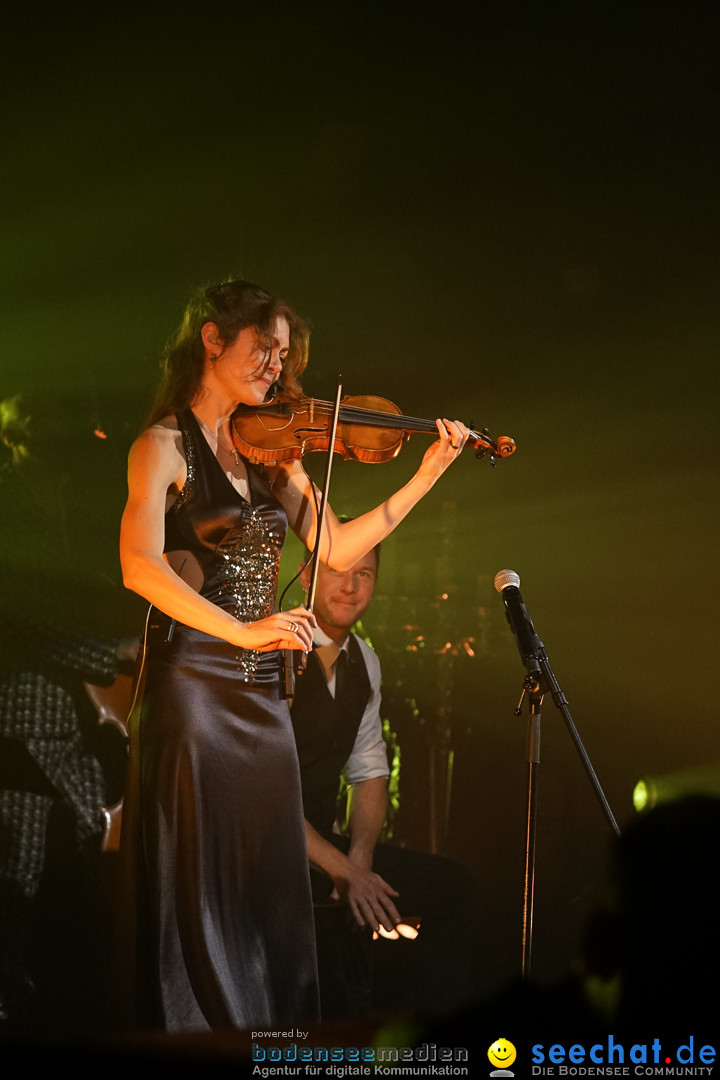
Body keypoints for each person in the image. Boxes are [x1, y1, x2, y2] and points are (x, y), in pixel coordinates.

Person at [116, 278, 469, 1032]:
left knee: (265, 897)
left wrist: (425, 475)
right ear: (213, 341)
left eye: (283, 357)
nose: (276, 369)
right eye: (263, 350)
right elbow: (139, 567)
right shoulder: (162, 446)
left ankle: (270, 1041)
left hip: (260, 696)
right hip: (195, 691)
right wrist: (244, 631)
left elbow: (338, 545)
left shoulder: (278, 457)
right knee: (202, 891)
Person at [291, 542, 481, 1018]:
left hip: (324, 846)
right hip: (263, 846)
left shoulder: (366, 663)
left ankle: (442, 1046)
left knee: (454, 889)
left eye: (366, 575)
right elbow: (257, 794)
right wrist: (343, 870)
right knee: (339, 937)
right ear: (305, 572)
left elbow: (370, 767)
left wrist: (360, 857)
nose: (351, 587)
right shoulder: (274, 652)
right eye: (338, 571)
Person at [0, 393, 135, 1034]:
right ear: (14, 437)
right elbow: (21, 616)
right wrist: (120, 648)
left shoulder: (62, 504)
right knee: (19, 877)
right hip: (15, 729)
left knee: (59, 877)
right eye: (43, 427)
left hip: (64, 728)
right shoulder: (8, 505)